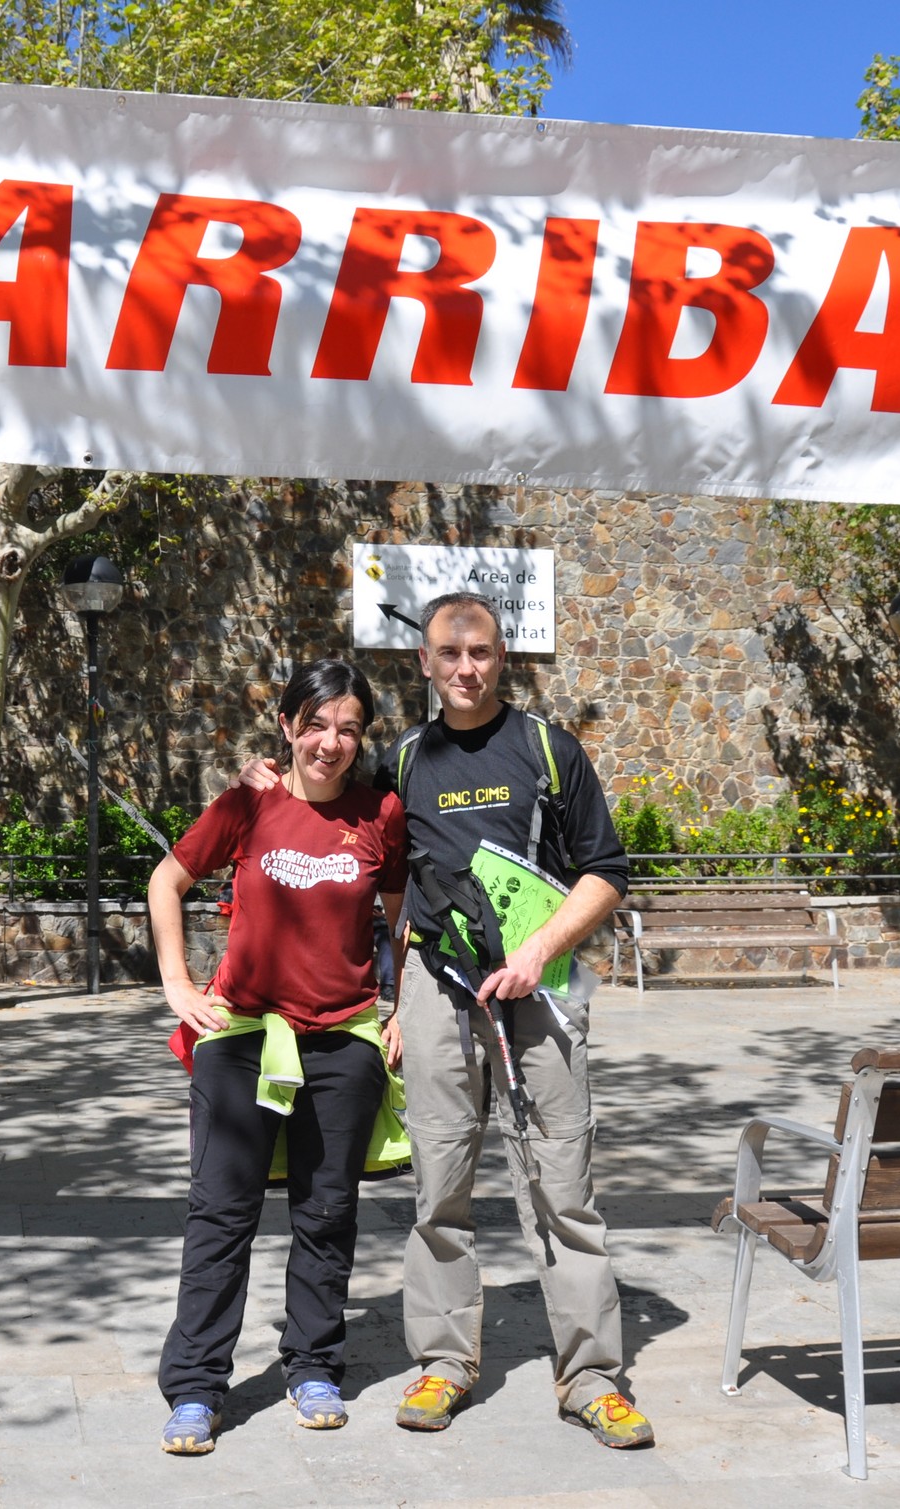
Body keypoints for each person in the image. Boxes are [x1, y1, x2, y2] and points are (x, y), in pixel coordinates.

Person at [241, 591, 651, 1449]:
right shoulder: (403, 760)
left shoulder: (548, 750)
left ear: (504, 657)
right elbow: (331, 813)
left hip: (540, 991)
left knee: (563, 1188)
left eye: (482, 652)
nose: (467, 668)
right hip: (437, 988)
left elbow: (606, 871)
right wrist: (263, 783)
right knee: (439, 1186)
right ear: (424, 662)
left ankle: (591, 1376)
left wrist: (541, 948)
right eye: (450, 654)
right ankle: (445, 1360)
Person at [152, 660, 408, 1456]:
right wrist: (177, 983)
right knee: (220, 1214)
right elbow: (167, 880)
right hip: (241, 1037)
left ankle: (315, 1365)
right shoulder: (247, 802)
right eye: (317, 724)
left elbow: (401, 912)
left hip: (342, 1041)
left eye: (349, 729)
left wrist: (403, 1004)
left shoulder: (381, 813)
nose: (331, 742)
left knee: (326, 1213)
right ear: (288, 726)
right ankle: (196, 1385)